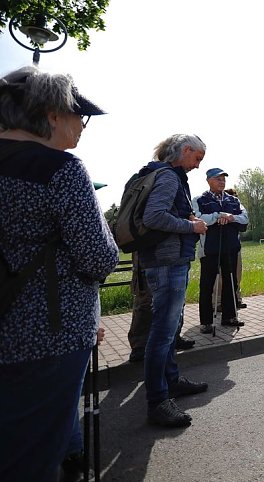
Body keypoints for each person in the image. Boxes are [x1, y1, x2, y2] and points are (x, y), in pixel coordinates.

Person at [0, 66, 119, 480]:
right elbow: (100, 257)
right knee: (31, 460)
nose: (82, 126)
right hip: (47, 338)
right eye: (77, 115)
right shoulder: (61, 169)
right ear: (52, 114)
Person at [137, 134, 210, 428]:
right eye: (197, 159)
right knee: (163, 332)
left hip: (165, 259)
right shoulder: (168, 177)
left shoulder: (159, 174)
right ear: (186, 151)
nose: (197, 166)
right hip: (167, 261)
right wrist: (191, 225)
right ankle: (157, 400)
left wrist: (185, 217)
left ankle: (171, 381)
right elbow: (154, 216)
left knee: (168, 329)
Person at [193, 168, 248, 333]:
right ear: (209, 180)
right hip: (210, 249)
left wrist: (231, 217)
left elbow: (245, 218)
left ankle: (229, 317)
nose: (222, 182)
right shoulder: (200, 199)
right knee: (207, 285)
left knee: (230, 283)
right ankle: (206, 322)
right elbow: (197, 218)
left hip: (230, 247)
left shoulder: (233, 200)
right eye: (218, 179)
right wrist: (218, 216)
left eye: (224, 179)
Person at [127, 252, 195, 363]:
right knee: (144, 303)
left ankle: (175, 337)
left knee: (177, 302)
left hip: (176, 256)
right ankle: (139, 345)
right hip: (148, 255)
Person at [221, 187, 247, 309]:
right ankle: (219, 302)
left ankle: (237, 298)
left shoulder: (238, 208)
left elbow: (243, 222)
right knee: (221, 276)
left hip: (234, 245)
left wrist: (234, 218)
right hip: (220, 246)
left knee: (237, 274)